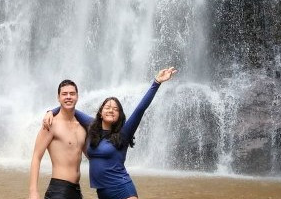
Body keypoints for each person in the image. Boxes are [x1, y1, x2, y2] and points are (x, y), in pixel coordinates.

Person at [45, 67, 177, 199]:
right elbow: (70, 108)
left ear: (119, 115)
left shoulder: (124, 132)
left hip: (123, 189)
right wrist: (51, 111)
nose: (110, 110)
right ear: (101, 113)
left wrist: (156, 82)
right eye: (107, 107)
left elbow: (140, 109)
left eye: (115, 109)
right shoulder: (91, 126)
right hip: (102, 193)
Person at [29, 79, 88, 199]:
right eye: (64, 94)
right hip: (58, 190)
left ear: (77, 96)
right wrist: (33, 191)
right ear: (58, 97)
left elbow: (93, 156)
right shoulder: (51, 124)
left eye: (72, 93)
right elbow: (36, 157)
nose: (68, 97)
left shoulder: (82, 127)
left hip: (76, 190)